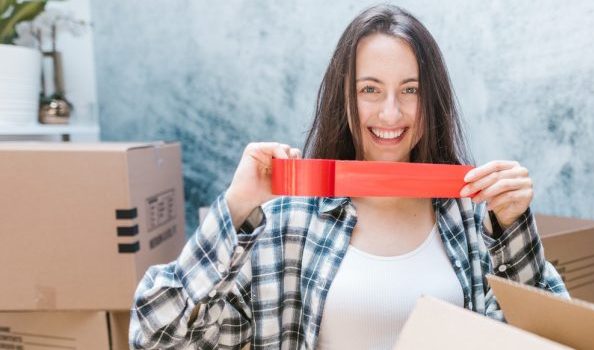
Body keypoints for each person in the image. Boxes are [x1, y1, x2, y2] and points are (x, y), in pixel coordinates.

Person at [130, 4, 568, 350]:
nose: (391, 113)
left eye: (410, 90)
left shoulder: (473, 213)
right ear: (344, 98)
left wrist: (513, 228)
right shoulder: (289, 220)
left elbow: (546, 333)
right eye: (370, 89)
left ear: (432, 100)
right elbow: (158, 338)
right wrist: (235, 207)